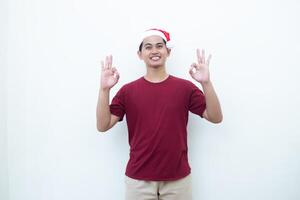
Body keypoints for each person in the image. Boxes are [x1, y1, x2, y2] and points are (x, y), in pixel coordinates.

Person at [96, 28, 223, 200]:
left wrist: (206, 83)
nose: (154, 51)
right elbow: (103, 125)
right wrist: (104, 90)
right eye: (148, 47)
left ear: (168, 51)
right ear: (140, 54)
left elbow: (215, 117)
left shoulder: (185, 88)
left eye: (159, 46)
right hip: (138, 180)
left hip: (178, 180)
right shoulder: (128, 91)